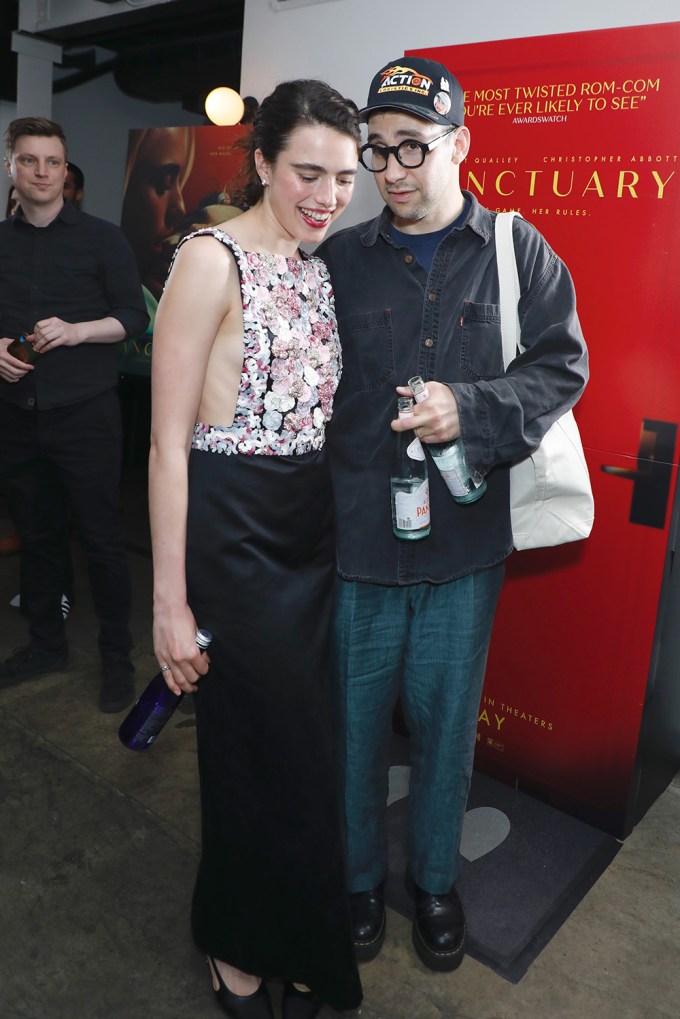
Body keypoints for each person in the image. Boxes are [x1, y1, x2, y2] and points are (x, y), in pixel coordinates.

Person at [317, 56, 589, 973]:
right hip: (356, 547)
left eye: (413, 148)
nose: (392, 169)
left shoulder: (519, 251)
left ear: (461, 144)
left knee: (442, 729)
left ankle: (433, 881)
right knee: (353, 732)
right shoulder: (339, 262)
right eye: (378, 150)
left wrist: (468, 409)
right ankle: (357, 881)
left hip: (467, 550)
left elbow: (561, 369)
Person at [149, 80, 363, 1018]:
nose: (326, 194)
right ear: (264, 162)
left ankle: (299, 933)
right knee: (249, 750)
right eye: (307, 172)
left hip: (309, 530)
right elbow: (164, 445)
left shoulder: (319, 264)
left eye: (345, 177)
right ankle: (235, 939)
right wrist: (169, 603)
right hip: (231, 534)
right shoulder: (210, 258)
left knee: (307, 752)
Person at [0, 117, 149, 712]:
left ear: (67, 171)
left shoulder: (102, 238)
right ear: (12, 167)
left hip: (85, 416)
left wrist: (78, 330)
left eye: (52, 162)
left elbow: (136, 319)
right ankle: (45, 645)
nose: (41, 172)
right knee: (37, 537)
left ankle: (118, 659)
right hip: (15, 416)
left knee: (102, 541)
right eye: (29, 161)